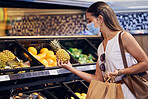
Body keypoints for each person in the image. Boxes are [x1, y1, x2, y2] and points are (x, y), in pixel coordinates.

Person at [57, 1, 148, 99]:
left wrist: (120, 72)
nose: (88, 25)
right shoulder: (101, 47)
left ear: (100, 19)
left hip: (128, 93)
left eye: (89, 21)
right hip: (112, 93)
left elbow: (145, 63)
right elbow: (98, 79)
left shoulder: (123, 37)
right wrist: (71, 68)